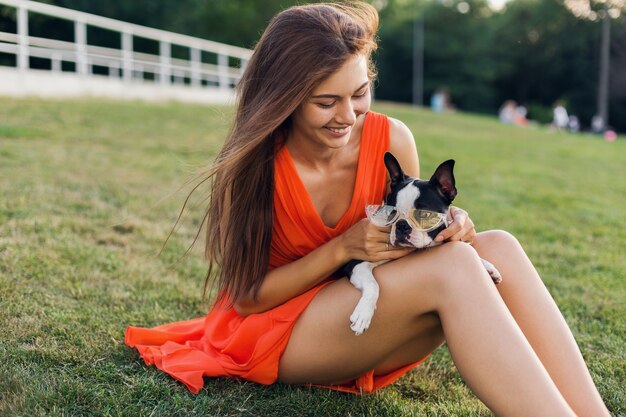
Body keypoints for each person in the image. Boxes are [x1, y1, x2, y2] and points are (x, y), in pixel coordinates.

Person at [125, 3, 611, 416]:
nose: (348, 116)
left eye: (359, 94)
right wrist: (342, 248)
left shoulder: (391, 139)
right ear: (285, 99)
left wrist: (446, 229)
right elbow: (249, 298)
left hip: (364, 311)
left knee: (497, 246)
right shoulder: (257, 168)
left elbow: (416, 256)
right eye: (325, 102)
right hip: (276, 331)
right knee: (459, 269)